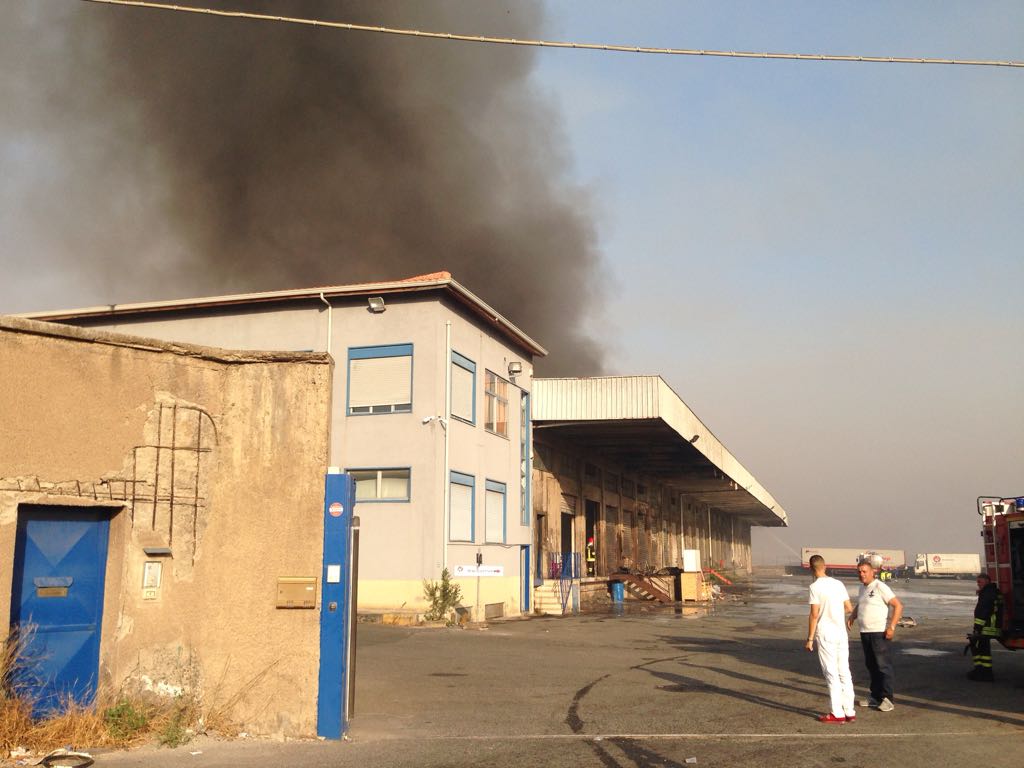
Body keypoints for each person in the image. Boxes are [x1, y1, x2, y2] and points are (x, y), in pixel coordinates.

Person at [806, 554, 856, 723]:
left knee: (831, 673)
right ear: (825, 566)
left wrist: (810, 638)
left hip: (826, 633)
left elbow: (814, 615)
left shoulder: (815, 587)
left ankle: (837, 713)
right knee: (844, 672)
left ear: (811, 569)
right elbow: (849, 608)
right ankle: (849, 711)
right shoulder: (838, 584)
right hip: (841, 633)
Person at [848, 560, 903, 712]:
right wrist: (852, 616)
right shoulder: (862, 588)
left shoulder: (880, 586)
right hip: (865, 632)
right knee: (871, 665)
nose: (861, 574)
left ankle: (888, 699)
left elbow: (898, 605)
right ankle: (875, 697)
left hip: (879, 633)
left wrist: (891, 626)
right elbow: (861, 604)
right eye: (859, 571)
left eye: (864, 571)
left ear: (873, 572)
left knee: (882, 666)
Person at [968, 573, 1003, 682]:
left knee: (980, 649)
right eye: (977, 582)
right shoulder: (992, 592)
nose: (978, 584)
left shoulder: (987, 594)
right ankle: (983, 672)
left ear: (987, 581)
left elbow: (982, 612)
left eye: (980, 582)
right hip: (989, 626)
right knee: (982, 649)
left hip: (986, 626)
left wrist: (977, 629)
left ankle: (983, 673)